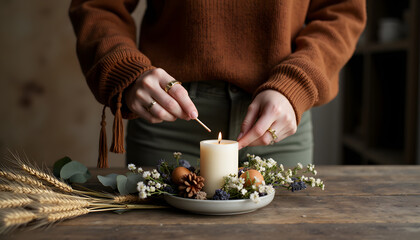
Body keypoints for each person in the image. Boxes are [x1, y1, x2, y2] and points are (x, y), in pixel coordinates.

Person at [69, 0, 366, 167]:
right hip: (166, 118)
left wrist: (297, 84)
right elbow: (97, 6)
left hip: (278, 121)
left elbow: (341, 12)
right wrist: (126, 69)